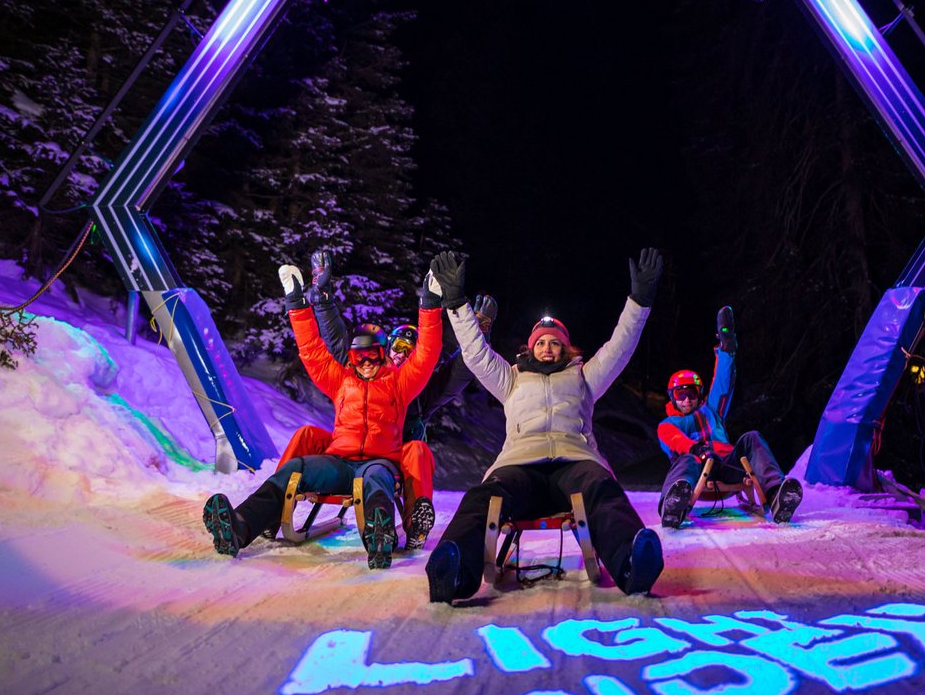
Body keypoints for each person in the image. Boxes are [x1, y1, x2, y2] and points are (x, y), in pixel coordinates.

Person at [423, 248, 666, 603]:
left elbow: (620, 348)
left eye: (555, 343)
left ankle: (631, 559)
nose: (548, 348)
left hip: (575, 463)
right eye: (541, 343)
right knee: (484, 496)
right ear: (530, 348)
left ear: (567, 349)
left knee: (602, 487)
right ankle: (453, 569)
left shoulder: (583, 378)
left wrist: (640, 301)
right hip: (520, 467)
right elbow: (475, 354)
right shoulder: (511, 378)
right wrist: (457, 304)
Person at [201, 261, 442, 568]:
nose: (366, 361)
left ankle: (379, 539)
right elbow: (312, 350)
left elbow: (426, 354)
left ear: (383, 356)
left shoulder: (399, 383)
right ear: (352, 357)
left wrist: (430, 307)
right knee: (296, 469)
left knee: (377, 478)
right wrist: (296, 304)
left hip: (380, 463)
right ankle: (240, 525)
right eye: (359, 355)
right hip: (339, 464)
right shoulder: (341, 380)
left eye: (373, 355)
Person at [275, 250, 497, 549]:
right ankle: (272, 505)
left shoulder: (417, 388)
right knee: (306, 435)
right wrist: (323, 300)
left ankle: (415, 521)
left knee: (416, 450)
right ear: (384, 349)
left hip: (393, 459)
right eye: (397, 346)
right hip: (348, 452)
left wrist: (477, 334)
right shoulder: (361, 372)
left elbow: (456, 375)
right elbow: (336, 344)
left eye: (410, 347)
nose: (402, 353)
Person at [656, 306, 803, 528]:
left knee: (751, 438)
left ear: (699, 395)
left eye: (692, 393)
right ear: (672, 397)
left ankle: (776, 494)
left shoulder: (710, 411)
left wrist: (727, 345)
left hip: (727, 465)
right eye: (681, 394)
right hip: (695, 470)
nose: (687, 400)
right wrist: (696, 448)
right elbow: (675, 441)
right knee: (685, 459)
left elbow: (723, 382)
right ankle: (673, 504)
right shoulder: (668, 424)